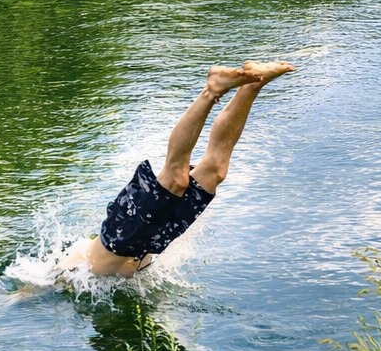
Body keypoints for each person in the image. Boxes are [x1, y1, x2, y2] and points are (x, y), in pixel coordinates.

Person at [62, 61, 293, 278]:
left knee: (176, 178)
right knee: (216, 171)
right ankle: (253, 83)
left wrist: (26, 295)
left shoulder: (70, 269)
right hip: (149, 242)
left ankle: (212, 91)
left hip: (121, 237)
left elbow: (40, 282)